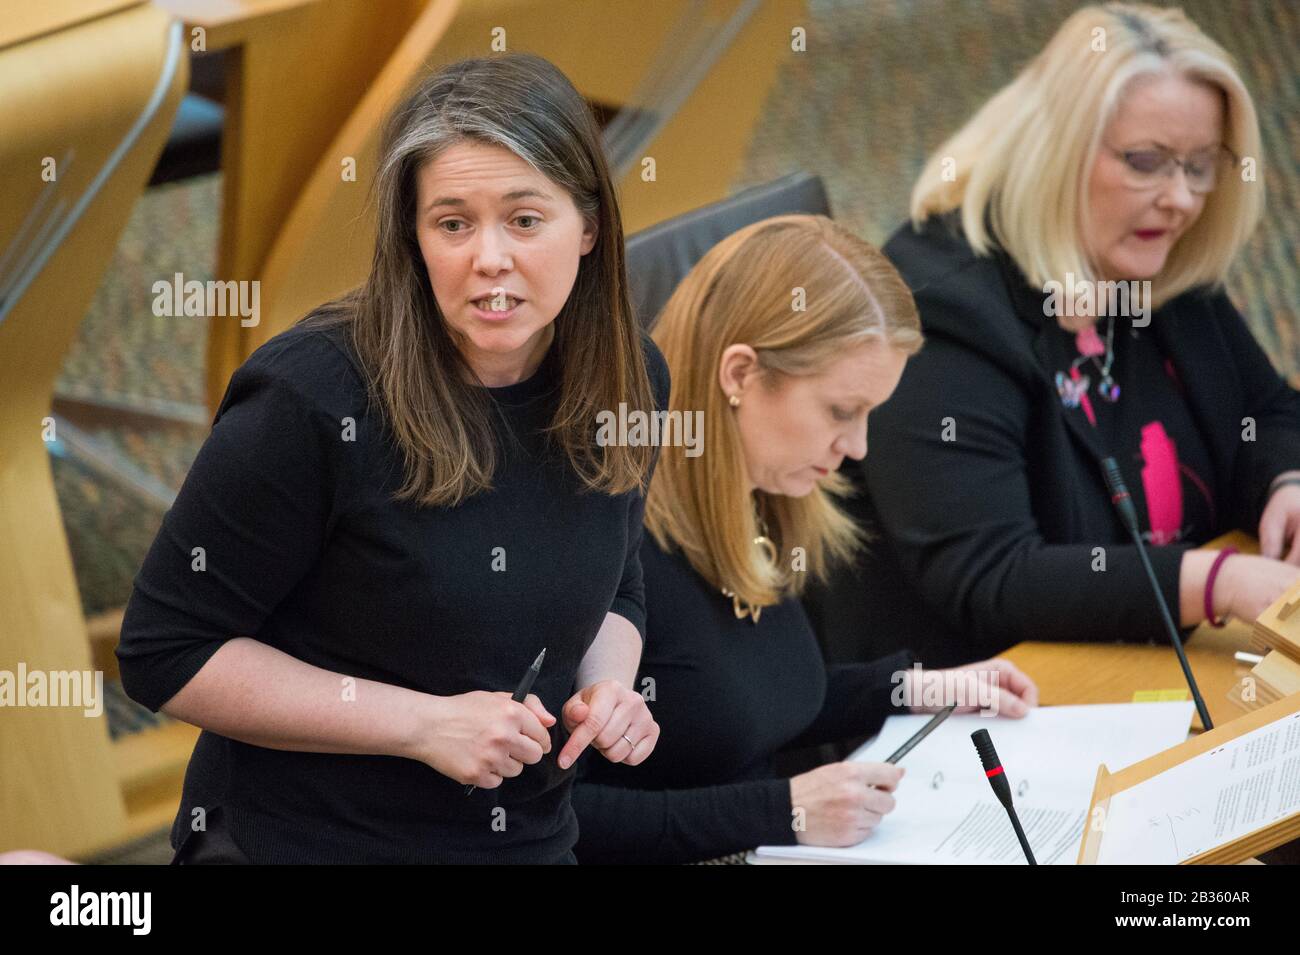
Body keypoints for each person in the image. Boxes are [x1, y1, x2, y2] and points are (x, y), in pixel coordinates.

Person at [116, 53, 668, 864]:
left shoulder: (627, 378)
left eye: (524, 219)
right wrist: (422, 725)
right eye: (452, 223)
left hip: (525, 837)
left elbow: (617, 582)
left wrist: (609, 689)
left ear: (587, 226)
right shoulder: (313, 397)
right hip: (309, 842)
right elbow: (164, 650)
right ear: (413, 238)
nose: (489, 258)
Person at [811, 3, 1300, 670]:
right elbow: (992, 573)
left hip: (1176, 658)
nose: (1182, 198)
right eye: (1147, 161)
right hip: (1003, 693)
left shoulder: (1154, 259)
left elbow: (1266, 409)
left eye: (1201, 165)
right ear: (1059, 150)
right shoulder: (943, 308)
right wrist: (1218, 582)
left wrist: (1286, 481)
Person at [572, 215, 1037, 864]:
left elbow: (749, 704)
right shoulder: (605, 545)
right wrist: (785, 809)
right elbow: (561, 817)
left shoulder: (754, 497)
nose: (857, 448)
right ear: (740, 374)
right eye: (842, 411)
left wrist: (912, 688)